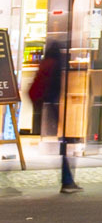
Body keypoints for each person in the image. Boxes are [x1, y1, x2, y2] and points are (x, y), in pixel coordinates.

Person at [26, 32, 77, 193]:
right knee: (65, 145)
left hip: (46, 104)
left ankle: (68, 179)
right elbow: (56, 87)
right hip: (53, 105)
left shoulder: (46, 62)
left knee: (64, 145)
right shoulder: (55, 64)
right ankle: (67, 180)